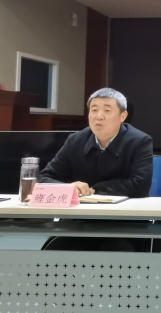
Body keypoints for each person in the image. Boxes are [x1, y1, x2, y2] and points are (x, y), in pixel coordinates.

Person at [37, 87, 154, 251]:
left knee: (117, 253)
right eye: (94, 110)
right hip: (80, 222)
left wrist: (94, 189)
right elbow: (44, 178)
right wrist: (68, 188)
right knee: (51, 255)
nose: (99, 116)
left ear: (123, 116)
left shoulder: (139, 141)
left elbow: (140, 185)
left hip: (125, 223)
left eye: (107, 110)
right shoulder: (75, 141)